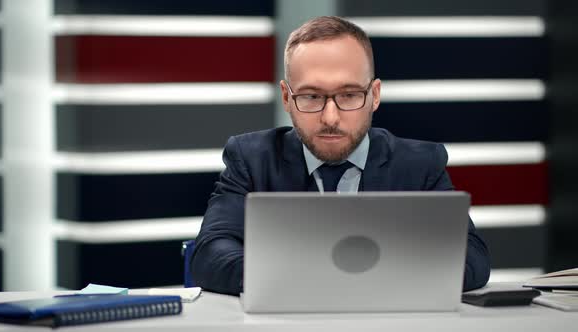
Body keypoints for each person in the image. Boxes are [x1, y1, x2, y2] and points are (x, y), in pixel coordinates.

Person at [191, 16, 490, 295]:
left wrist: (355, 283)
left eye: (348, 95)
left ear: (374, 95)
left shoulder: (420, 163)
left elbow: (472, 258)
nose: (330, 117)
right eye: (311, 96)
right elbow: (210, 253)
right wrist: (316, 281)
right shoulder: (251, 158)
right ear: (286, 97)